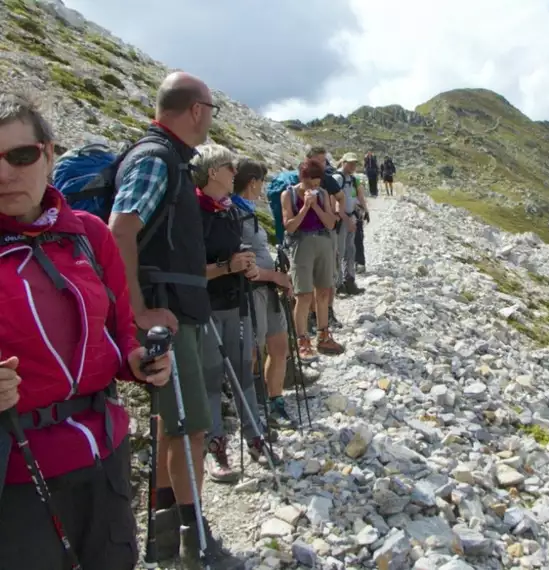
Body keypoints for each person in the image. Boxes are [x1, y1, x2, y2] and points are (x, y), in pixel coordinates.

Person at [0, 92, 172, 569]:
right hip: (16, 473)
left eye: (19, 155)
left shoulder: (90, 235)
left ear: (49, 153)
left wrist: (141, 363)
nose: (4, 173)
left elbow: (120, 337)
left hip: (104, 455)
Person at [109, 73, 243, 568]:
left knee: (178, 424)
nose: (211, 115)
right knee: (190, 428)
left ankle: (171, 538)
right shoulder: (156, 158)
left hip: (176, 310)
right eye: (210, 106)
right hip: (167, 314)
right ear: (195, 110)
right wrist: (136, 309)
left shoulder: (169, 159)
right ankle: (196, 540)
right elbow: (120, 229)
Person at [191, 144, 280, 484]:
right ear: (213, 172)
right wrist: (228, 266)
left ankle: (254, 436)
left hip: (236, 302)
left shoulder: (227, 209)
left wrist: (241, 263)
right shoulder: (193, 212)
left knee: (244, 372)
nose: (235, 174)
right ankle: (215, 448)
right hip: (208, 308)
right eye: (230, 167)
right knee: (212, 378)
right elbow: (190, 270)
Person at [230, 157, 298, 431]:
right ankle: (251, 411)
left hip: (267, 291)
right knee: (254, 352)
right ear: (252, 182)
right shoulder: (234, 213)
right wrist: (277, 277)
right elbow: (247, 266)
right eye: (260, 182)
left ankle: (275, 401)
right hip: (253, 292)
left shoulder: (246, 210)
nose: (262, 188)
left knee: (279, 347)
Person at [282, 159, 344, 362]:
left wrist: (316, 206)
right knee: (303, 295)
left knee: (324, 291)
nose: (314, 188)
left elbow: (330, 223)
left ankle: (323, 335)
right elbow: (289, 226)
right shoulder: (288, 195)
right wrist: (304, 208)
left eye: (317, 184)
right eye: (311, 184)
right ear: (303, 179)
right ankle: (302, 340)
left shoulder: (324, 194)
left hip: (323, 242)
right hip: (301, 245)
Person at [333, 153, 368, 295]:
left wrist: (362, 210)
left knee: (350, 250)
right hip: (341, 220)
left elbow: (354, 198)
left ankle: (350, 281)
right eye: (351, 163)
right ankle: (339, 285)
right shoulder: (337, 179)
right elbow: (335, 204)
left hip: (351, 217)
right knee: (340, 252)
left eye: (355, 163)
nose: (353, 166)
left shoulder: (352, 179)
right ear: (343, 162)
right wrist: (347, 220)